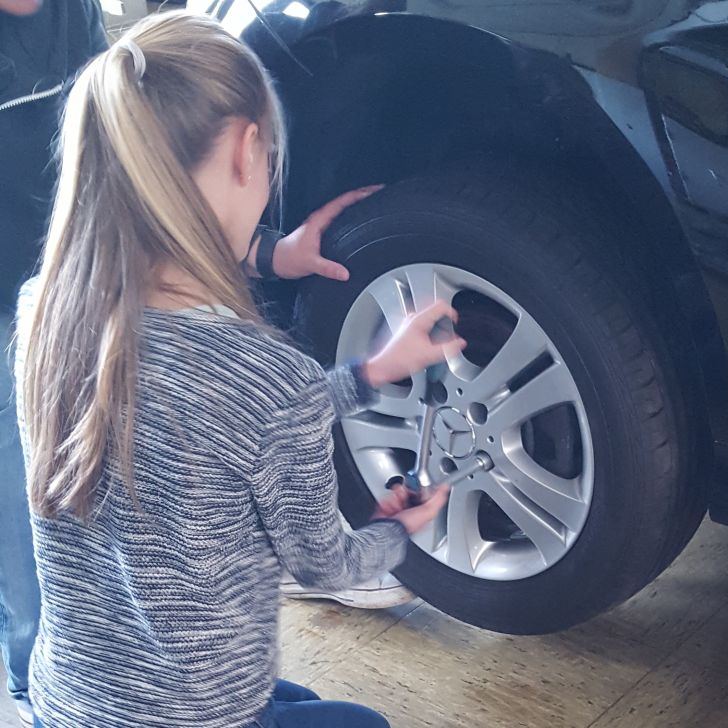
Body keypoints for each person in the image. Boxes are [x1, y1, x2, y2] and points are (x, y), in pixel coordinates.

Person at [13, 11, 462, 728]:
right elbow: (327, 568)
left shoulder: (43, 315)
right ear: (249, 150)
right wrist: (398, 531)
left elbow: (213, 419)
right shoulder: (263, 376)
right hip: (196, 716)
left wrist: (367, 376)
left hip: (72, 703)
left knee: (304, 704)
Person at [1, 1, 107, 724]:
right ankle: (39, 677)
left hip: (64, 276)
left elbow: (107, 142)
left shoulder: (74, 10)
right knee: (15, 470)